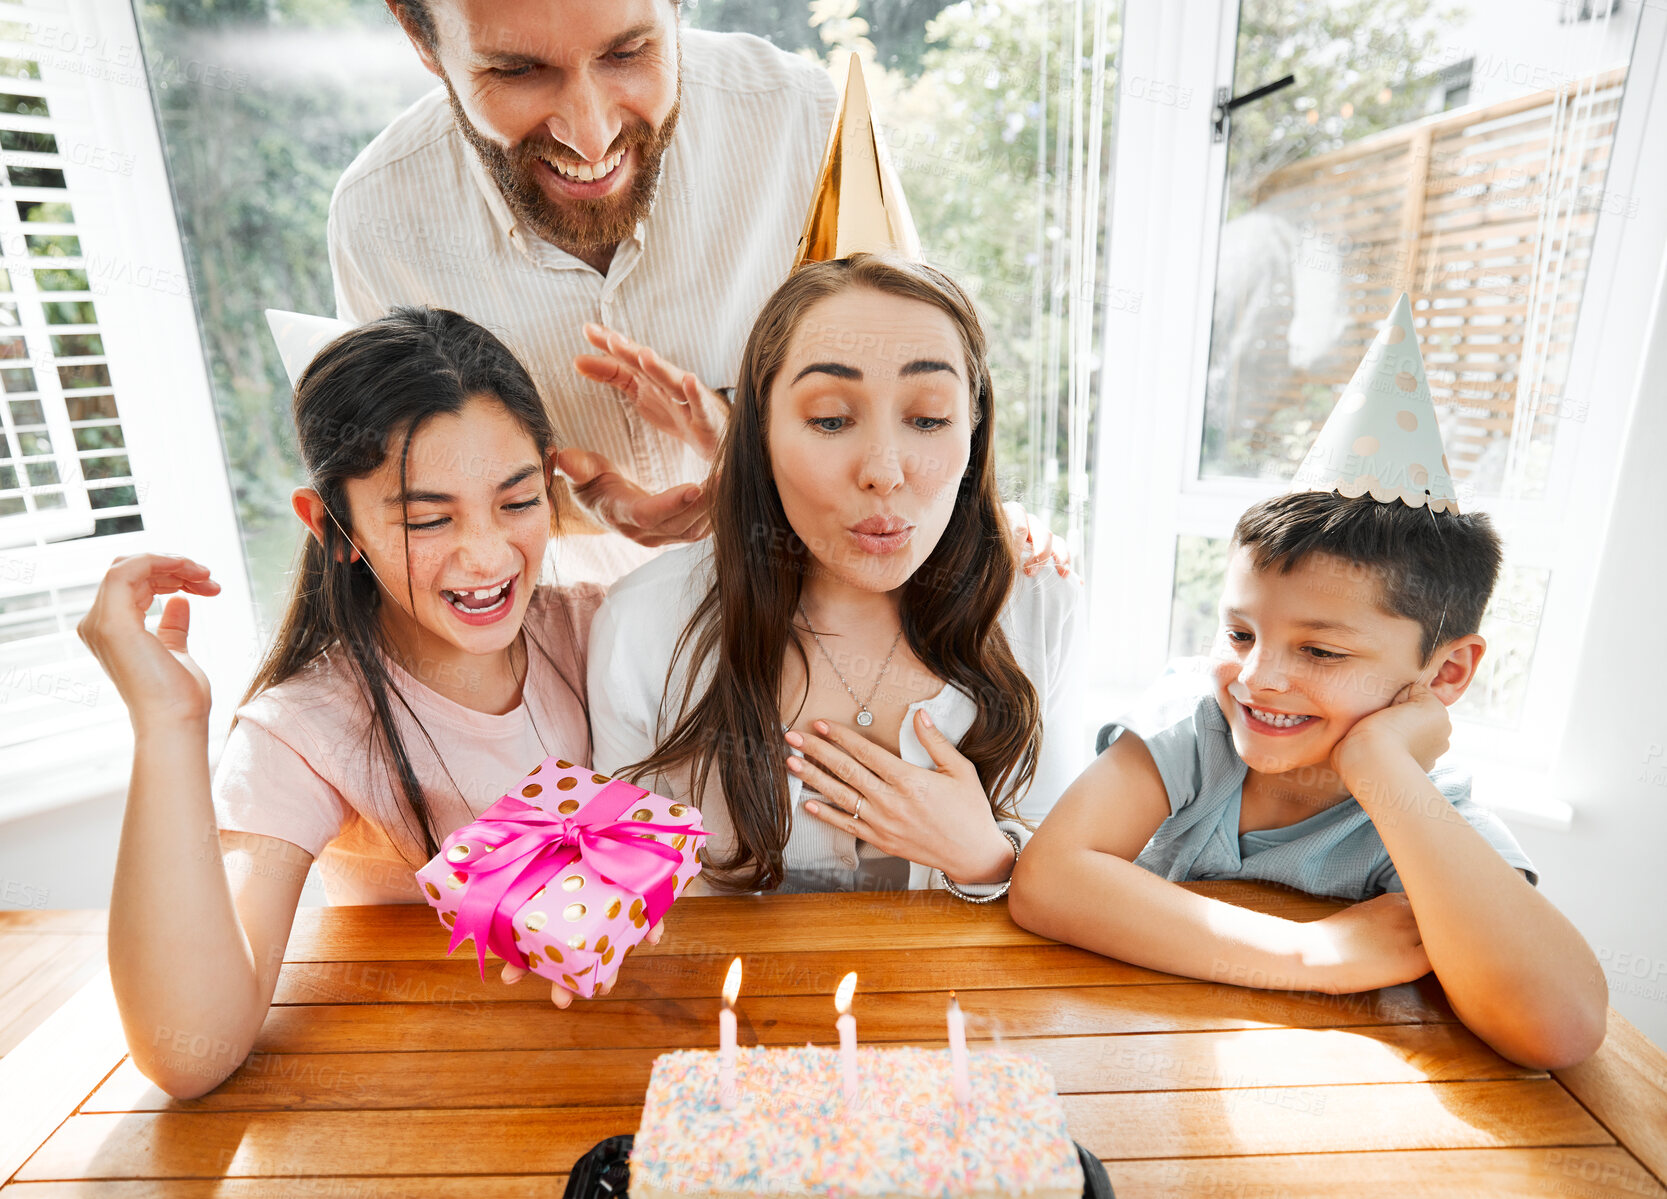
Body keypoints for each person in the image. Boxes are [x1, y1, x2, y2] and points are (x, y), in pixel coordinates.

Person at [76, 307, 638, 1098]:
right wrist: (166, 723)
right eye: (427, 519)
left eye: (516, 502)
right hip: (433, 1092)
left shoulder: (607, 630)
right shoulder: (306, 728)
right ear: (332, 525)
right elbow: (190, 1049)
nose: (485, 554)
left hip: (629, 1054)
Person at [1009, 489, 1609, 1068]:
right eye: (1241, 634)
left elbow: (1558, 1027)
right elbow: (1049, 880)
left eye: (1320, 652)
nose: (1257, 677)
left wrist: (1379, 765)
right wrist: (1312, 953)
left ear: (1447, 669)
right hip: (1123, 1053)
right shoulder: (1196, 725)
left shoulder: (1420, 805)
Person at [586, 254, 1087, 896]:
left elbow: (1068, 862)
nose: (883, 470)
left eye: (929, 418)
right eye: (829, 419)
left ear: (974, 429)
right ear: (760, 430)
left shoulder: (1038, 599)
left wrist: (985, 858)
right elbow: (626, 898)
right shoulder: (646, 625)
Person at [330, 0, 839, 582]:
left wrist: (758, 452)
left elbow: (926, 422)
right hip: (568, 651)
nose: (593, 140)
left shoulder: (805, 117)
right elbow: (402, 511)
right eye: (517, 71)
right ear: (419, 36)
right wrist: (571, 507)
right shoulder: (372, 219)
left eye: (627, 53)